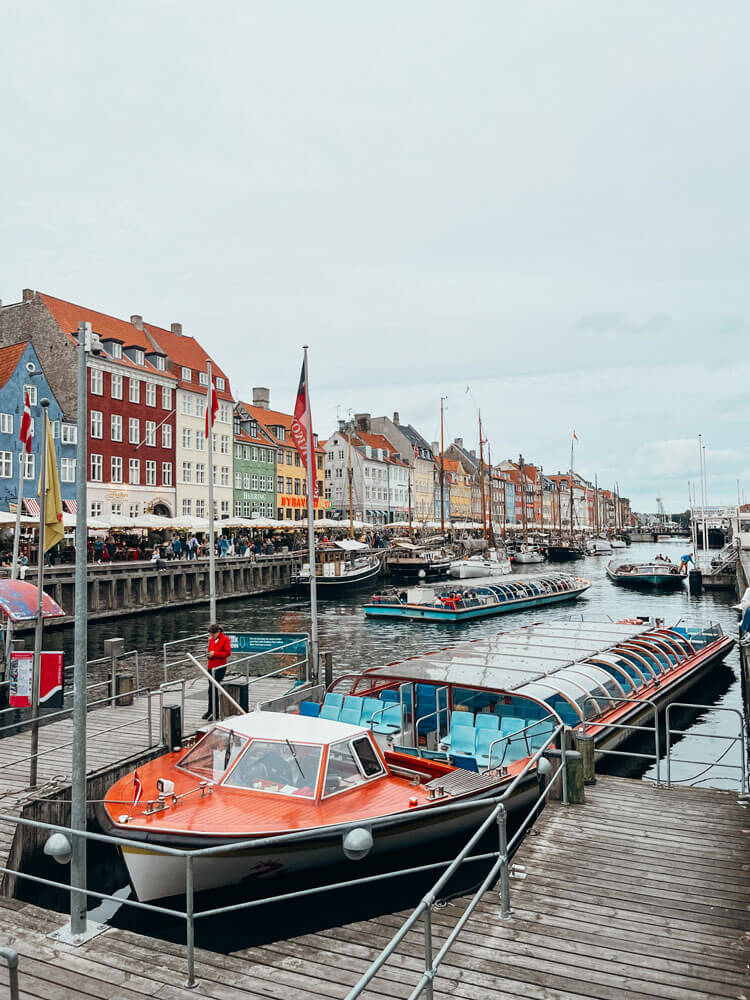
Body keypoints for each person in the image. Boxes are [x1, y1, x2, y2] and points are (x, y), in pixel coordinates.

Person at [203, 623, 231, 720]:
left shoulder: (225, 639)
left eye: (213, 634)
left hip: (220, 667)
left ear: (218, 632)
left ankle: (216, 712)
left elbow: (227, 653)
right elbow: (210, 650)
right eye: (210, 634)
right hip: (211, 666)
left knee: (214, 688)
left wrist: (215, 654)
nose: (211, 636)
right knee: (210, 690)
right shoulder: (211, 640)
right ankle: (210, 710)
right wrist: (209, 655)